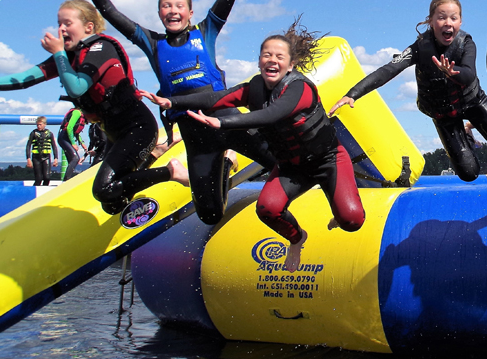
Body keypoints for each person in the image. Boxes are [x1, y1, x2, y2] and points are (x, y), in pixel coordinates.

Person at [68, 0, 274, 224]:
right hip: (194, 133)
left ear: (190, 13)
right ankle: (226, 164)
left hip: (226, 120)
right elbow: (110, 12)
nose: (173, 10)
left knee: (278, 162)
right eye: (166, 6)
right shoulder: (152, 42)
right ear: (159, 13)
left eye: (179, 6)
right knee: (209, 215)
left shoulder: (206, 31)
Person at [144, 21, 364, 272]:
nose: (272, 60)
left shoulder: (299, 88)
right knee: (267, 209)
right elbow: (217, 98)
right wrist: (172, 102)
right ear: (259, 61)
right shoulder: (254, 88)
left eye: (279, 56)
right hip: (291, 167)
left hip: (328, 160)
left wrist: (223, 122)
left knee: (352, 220)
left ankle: (341, 213)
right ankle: (297, 239)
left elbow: (272, 114)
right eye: (266, 55)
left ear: (291, 64)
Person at [0, 0, 189, 213]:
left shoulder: (101, 48)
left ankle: (171, 171)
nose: (61, 29)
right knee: (112, 203)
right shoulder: (69, 57)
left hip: (137, 128)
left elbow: (77, 88)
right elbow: (24, 79)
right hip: (115, 133)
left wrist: (59, 54)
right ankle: (155, 161)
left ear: (88, 27)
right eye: (59, 24)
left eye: (67, 23)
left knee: (104, 189)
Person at [329, 0, 487, 181]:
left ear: (460, 22)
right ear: (430, 21)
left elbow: (469, 74)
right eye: (441, 17)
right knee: (469, 173)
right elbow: (389, 69)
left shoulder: (466, 43)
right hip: (443, 113)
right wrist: (353, 94)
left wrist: (452, 72)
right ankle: (466, 136)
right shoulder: (419, 48)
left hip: (472, 102)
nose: (448, 23)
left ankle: (470, 126)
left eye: (453, 18)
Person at [26, 116, 59, 186]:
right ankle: (34, 190)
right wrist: (28, 158)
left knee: (47, 177)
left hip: (46, 157)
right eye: (37, 125)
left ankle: (44, 189)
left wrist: (56, 158)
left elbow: (54, 146)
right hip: (36, 158)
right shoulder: (33, 133)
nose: (38, 126)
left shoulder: (49, 133)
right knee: (38, 178)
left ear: (45, 124)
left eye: (40, 124)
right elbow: (28, 146)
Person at [58, 107, 87, 181]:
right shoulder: (77, 112)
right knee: (75, 158)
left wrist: (82, 143)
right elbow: (69, 128)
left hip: (67, 138)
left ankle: (68, 179)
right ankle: (66, 180)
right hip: (63, 138)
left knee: (72, 160)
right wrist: (73, 143)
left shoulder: (81, 115)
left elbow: (76, 132)